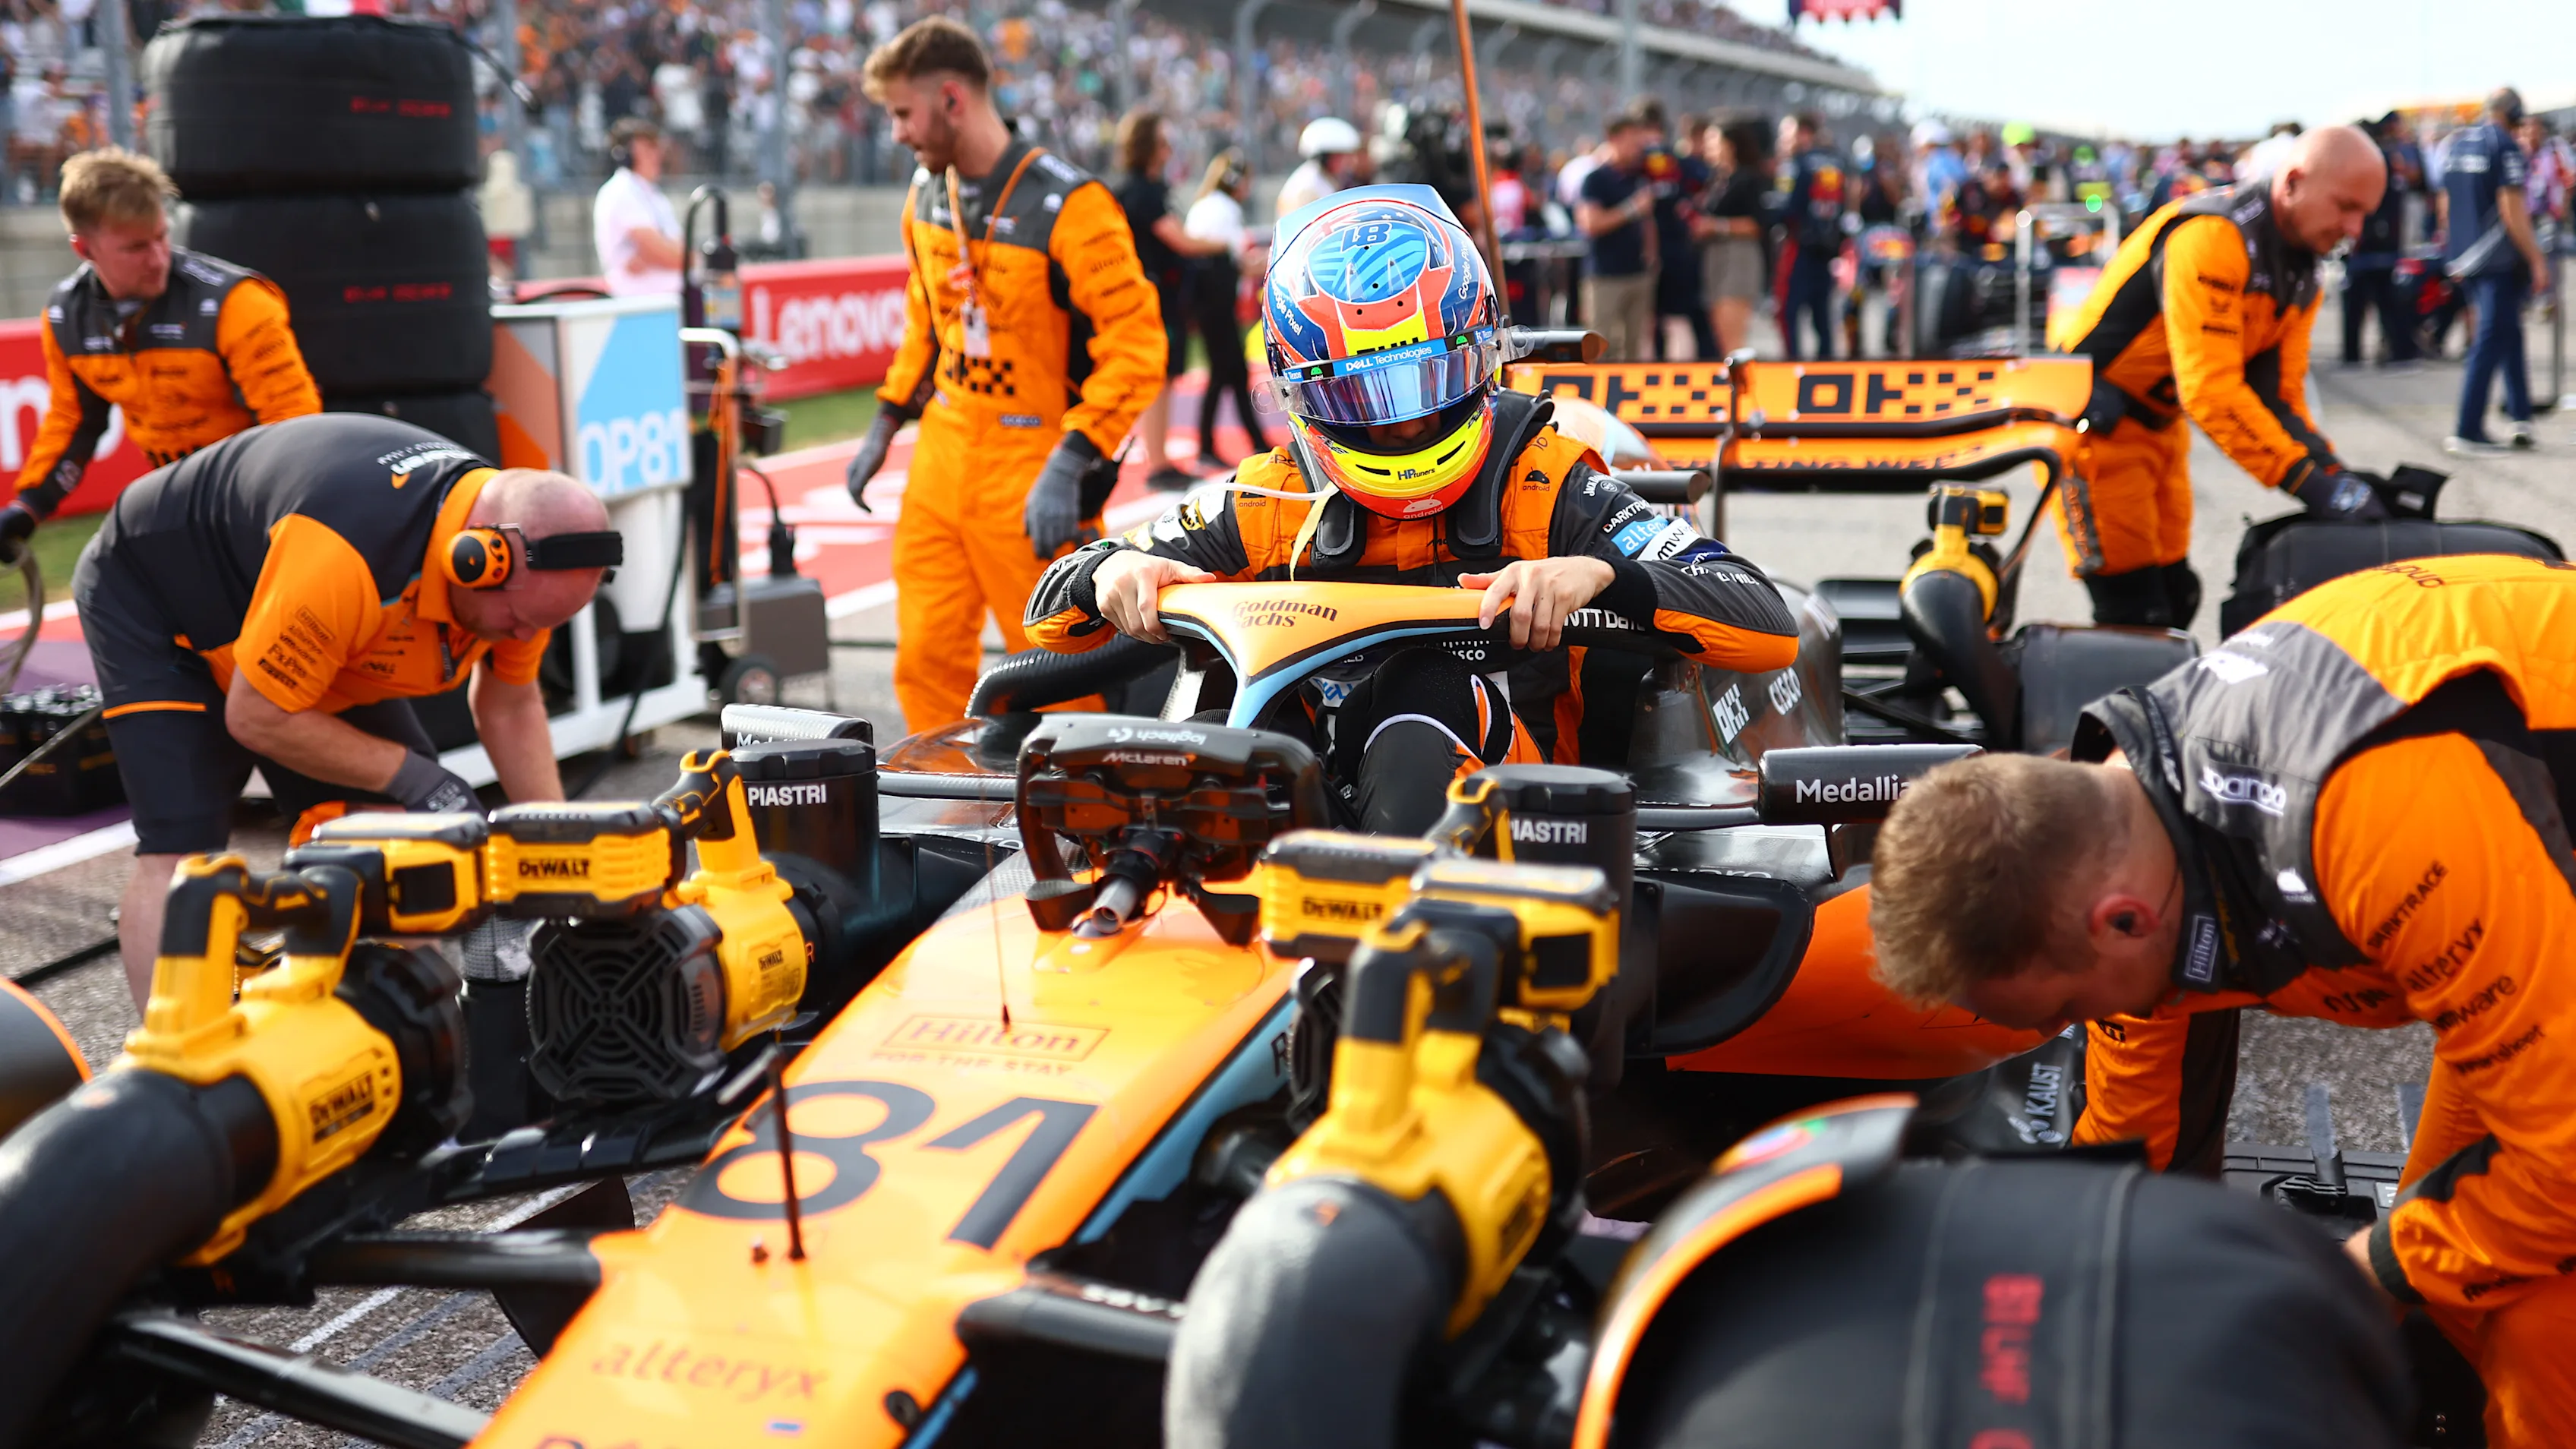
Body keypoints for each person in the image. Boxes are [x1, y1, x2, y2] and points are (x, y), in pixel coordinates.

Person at [1865, 554, 2576, 1449]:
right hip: (2534, 907)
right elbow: (2132, 1132)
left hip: (2489, 841)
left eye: (2061, 1014)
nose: (2063, 1035)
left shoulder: (2370, 819)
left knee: (2534, 1319)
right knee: (2439, 1253)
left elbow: (2562, 1165)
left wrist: (2354, 1277)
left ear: (2118, 923)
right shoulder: (2121, 824)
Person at [1021, 187, 1798, 832]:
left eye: (1425, 385)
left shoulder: (1550, 483)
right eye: (1359, 395)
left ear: (1479, 356)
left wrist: (1598, 574)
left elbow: (1764, 619)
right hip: (1309, 815)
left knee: (1418, 690)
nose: (1398, 425)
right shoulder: (1270, 496)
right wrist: (1111, 573)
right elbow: (1046, 613)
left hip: (1539, 828)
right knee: (1224, 712)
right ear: (1300, 396)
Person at [72, 413, 615, 1009]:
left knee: (407, 841)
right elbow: (257, 716)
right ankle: (170, 1074)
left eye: (538, 626)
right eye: (516, 620)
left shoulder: (527, 580)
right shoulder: (350, 555)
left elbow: (510, 707)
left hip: (297, 612)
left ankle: (385, 1031)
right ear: (477, 557)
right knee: (183, 852)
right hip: (162, 602)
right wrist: (420, 777)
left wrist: (559, 853)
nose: (521, 634)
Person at [843, 17, 1163, 734]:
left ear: (951, 99)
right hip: (943, 456)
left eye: (902, 113)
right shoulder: (928, 195)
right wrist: (885, 420)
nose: (896, 133)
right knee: (925, 659)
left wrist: (1072, 459)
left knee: (1061, 673)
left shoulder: (1072, 207)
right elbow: (925, 324)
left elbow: (1138, 345)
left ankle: (1078, 834)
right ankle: (950, 823)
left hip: (1034, 466)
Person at [2046, 125, 2388, 630]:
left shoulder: (2304, 270)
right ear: (2292, 183)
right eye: (2345, 206)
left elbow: (2281, 397)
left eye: (2365, 213)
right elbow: (2210, 390)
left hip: (2159, 432)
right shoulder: (2212, 237)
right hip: (2092, 435)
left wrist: (2336, 477)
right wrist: (2312, 486)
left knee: (2178, 596)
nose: (2355, 229)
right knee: (2133, 613)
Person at [0, 147, 318, 569]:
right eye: (135, 248)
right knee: (105, 584)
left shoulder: (236, 303)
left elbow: (294, 427)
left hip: (259, 500)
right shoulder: (66, 318)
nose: (157, 260)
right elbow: (73, 423)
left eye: (161, 237)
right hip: (175, 501)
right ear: (84, 248)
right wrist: (28, 507)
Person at [1111, 109, 1229, 492]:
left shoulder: (1143, 190)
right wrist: (1225, 244)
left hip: (1157, 297)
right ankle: (1157, 463)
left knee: (1163, 378)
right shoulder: (1142, 192)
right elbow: (1180, 241)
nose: (1168, 150)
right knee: (1157, 380)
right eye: (1163, 143)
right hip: (1152, 298)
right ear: (1148, 147)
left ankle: (1159, 460)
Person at [2439, 88, 2551, 457]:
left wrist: (2453, 251)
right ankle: (2468, 428)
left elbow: (2444, 203)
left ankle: (2520, 415)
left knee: (2508, 332)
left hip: (2465, 258)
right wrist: (2536, 259)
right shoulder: (2504, 146)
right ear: (2512, 111)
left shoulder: (2457, 144)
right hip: (2497, 261)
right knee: (2490, 339)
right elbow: (2512, 210)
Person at [1181, 148, 1271, 470]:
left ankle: (1252, 442)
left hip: (1208, 302)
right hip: (1215, 302)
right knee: (1226, 373)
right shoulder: (1224, 209)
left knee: (1231, 373)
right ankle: (1214, 444)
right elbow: (1237, 263)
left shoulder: (1206, 206)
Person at [1575, 106, 1659, 361]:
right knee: (1602, 347)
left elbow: (1647, 221)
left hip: (1638, 273)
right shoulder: (1596, 179)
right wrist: (1631, 208)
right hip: (1605, 276)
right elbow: (1590, 223)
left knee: (1635, 349)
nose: (1638, 148)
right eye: (1633, 141)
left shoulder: (1638, 176)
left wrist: (1652, 257)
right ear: (1615, 139)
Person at [2341, 113, 2421, 370]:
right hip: (2378, 243)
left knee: (2369, 302)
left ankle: (2371, 352)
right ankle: (2389, 351)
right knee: (2382, 302)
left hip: (2371, 244)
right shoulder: (2386, 158)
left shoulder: (2375, 160)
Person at [1773, 113, 1845, 360]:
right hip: (1827, 249)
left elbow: (1786, 209)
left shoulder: (1795, 164)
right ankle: (1826, 366)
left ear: (1803, 134)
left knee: (1787, 312)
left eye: (1787, 134)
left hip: (1798, 246)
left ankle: (1790, 366)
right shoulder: (1835, 163)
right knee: (1822, 316)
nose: (1782, 140)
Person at [1697, 119, 1771, 358]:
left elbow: (1758, 224)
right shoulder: (1719, 179)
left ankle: (1741, 390)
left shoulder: (1749, 179)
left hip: (1738, 258)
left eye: (1713, 141)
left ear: (1730, 145)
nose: (1708, 146)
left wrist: (1716, 226)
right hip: (1716, 258)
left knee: (1733, 338)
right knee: (1721, 335)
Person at [592, 116, 684, 296]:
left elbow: (681, 252)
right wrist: (664, 253)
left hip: (667, 304)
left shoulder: (655, 195)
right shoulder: (621, 192)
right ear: (625, 155)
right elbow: (664, 254)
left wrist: (660, 255)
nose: (656, 155)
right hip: (638, 309)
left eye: (656, 147)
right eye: (648, 148)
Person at [1276, 115, 1365, 219]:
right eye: (1342, 157)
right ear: (1327, 158)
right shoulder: (1308, 188)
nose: (1349, 163)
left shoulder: (1321, 179)